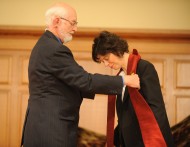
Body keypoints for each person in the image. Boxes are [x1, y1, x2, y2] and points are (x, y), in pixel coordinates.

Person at [20, 2, 140, 147]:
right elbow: (84, 81)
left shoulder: (44, 46)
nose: (75, 28)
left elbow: (69, 84)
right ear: (57, 21)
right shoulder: (54, 49)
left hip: (42, 127)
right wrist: (123, 80)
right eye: (73, 23)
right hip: (51, 130)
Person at [92, 31, 175, 147]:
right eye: (102, 61)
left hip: (148, 142)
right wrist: (113, 140)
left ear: (116, 49)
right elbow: (124, 117)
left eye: (106, 58)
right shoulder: (121, 78)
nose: (105, 64)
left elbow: (157, 109)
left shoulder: (144, 68)